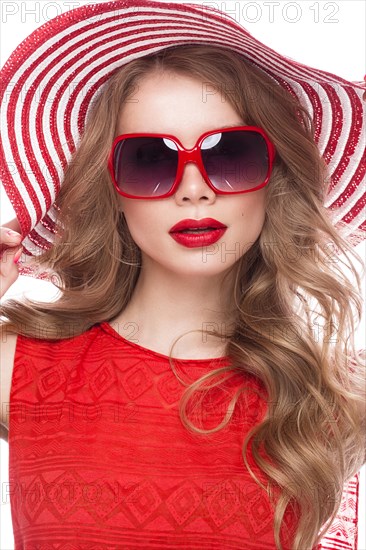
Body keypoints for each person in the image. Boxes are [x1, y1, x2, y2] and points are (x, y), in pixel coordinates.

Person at [0, 1, 365, 549]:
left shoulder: (330, 402)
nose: (194, 187)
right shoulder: (17, 366)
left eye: (231, 154)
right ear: (113, 191)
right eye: (149, 160)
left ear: (276, 177)